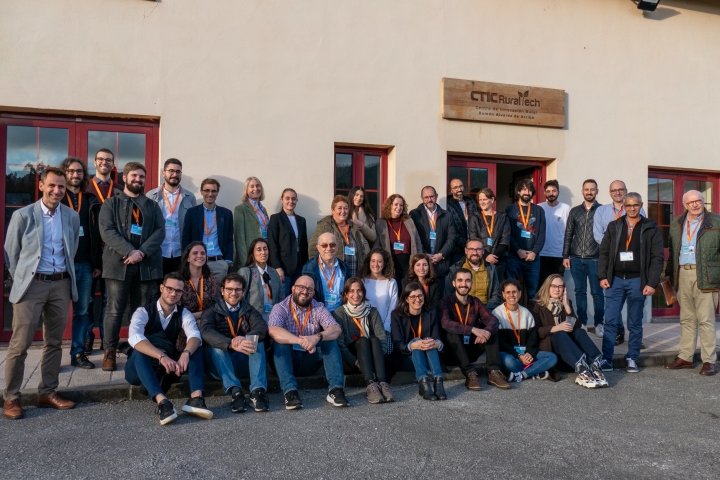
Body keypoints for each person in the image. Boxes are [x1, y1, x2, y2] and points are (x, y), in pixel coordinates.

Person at [3, 167, 80, 420]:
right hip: (31, 285)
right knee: (20, 344)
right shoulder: (23, 216)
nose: (57, 190)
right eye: (52, 185)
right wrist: (22, 278)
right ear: (41, 186)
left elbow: (72, 248)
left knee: (55, 342)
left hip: (60, 284)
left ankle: (47, 392)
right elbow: (11, 252)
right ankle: (12, 397)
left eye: (61, 186)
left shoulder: (71, 216)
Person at [99, 162, 165, 372]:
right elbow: (107, 231)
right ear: (125, 178)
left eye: (141, 177)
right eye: (134, 176)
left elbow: (160, 231)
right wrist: (130, 251)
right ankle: (109, 351)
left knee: (141, 311)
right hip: (118, 265)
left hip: (146, 266)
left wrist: (141, 252)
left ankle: (138, 350)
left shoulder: (152, 206)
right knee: (114, 310)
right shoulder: (111, 203)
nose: (138, 180)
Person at [124, 273, 211, 425]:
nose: (173, 293)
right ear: (161, 288)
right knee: (139, 350)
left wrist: (185, 353)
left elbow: (195, 335)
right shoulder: (143, 312)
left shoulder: (184, 313)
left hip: (167, 368)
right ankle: (163, 403)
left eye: (178, 291)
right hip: (140, 368)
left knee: (195, 348)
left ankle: (196, 398)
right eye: (169, 289)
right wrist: (161, 356)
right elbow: (134, 338)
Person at [598, 192, 663, 374]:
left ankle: (632, 357)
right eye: (628, 205)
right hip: (615, 281)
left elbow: (657, 258)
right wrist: (602, 276)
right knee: (610, 321)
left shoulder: (650, 227)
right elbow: (603, 253)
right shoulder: (614, 226)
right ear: (623, 207)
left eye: (635, 205)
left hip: (638, 281)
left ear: (641, 205)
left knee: (635, 322)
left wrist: (651, 283)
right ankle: (607, 358)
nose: (632, 208)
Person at [268, 275, 349, 410]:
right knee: (279, 343)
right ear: (293, 288)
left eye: (309, 289)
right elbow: (273, 330)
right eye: (301, 287)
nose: (305, 292)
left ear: (313, 293)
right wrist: (300, 341)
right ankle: (290, 392)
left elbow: (336, 329)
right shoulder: (280, 307)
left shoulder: (319, 307)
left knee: (330, 340)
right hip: (287, 360)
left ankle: (336, 390)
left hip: (309, 359)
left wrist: (316, 337)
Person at [664, 190, 720, 376]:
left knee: (706, 320)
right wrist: (668, 276)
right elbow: (672, 251)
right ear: (685, 205)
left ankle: (709, 361)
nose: (695, 205)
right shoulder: (676, 223)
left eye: (699, 201)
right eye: (691, 202)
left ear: (703, 202)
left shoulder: (716, 221)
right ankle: (686, 357)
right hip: (682, 275)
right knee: (686, 319)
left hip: (706, 275)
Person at [199, 273, 270, 413]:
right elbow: (206, 332)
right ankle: (235, 392)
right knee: (216, 347)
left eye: (238, 290)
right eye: (229, 289)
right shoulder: (211, 310)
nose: (233, 293)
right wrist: (231, 343)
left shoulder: (249, 309)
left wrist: (245, 338)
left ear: (243, 292)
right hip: (217, 367)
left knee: (256, 342)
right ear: (222, 290)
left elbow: (261, 327)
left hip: (241, 363)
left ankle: (257, 392)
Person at [529, 275, 608, 388]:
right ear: (547, 287)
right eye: (554, 286)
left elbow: (576, 325)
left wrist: (566, 307)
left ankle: (595, 366)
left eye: (560, 286)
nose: (557, 289)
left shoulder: (566, 303)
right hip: (551, 351)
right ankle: (582, 371)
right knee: (560, 334)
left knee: (580, 332)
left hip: (569, 353)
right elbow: (536, 332)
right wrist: (556, 328)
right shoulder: (535, 305)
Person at [593, 180, 647, 346]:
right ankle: (618, 333)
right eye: (614, 190)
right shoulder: (601, 211)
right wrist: (615, 247)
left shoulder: (637, 208)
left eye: (620, 189)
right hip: (612, 263)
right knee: (613, 303)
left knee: (635, 307)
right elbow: (597, 234)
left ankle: (635, 338)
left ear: (625, 190)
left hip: (634, 268)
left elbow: (643, 233)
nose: (617, 192)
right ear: (609, 193)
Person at [60, 157, 102, 369]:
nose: (75, 175)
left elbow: (97, 234)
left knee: (83, 311)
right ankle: (51, 356)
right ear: (64, 173)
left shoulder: (91, 200)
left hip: (85, 263)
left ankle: (77, 353)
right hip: (59, 264)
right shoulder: (57, 198)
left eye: (79, 172)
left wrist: (97, 263)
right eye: (71, 171)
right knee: (55, 311)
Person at [438, 269, 510, 391]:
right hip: (452, 352)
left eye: (467, 280)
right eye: (460, 280)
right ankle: (470, 374)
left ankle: (493, 371)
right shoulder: (445, 302)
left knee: (490, 331)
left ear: (471, 283)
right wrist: (473, 330)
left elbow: (493, 320)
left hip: (471, 349)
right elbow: (446, 323)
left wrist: (485, 332)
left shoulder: (475, 302)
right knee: (452, 333)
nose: (463, 284)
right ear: (454, 283)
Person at [85, 148, 122, 354]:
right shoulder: (86, 189)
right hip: (90, 253)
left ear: (113, 164)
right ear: (95, 162)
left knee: (109, 302)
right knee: (88, 300)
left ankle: (107, 342)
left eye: (108, 160)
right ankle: (87, 339)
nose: (104, 163)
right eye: (100, 159)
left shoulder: (119, 189)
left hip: (112, 254)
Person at [333, 278, 393, 404]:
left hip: (373, 360)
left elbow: (382, 339)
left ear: (364, 293)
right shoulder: (339, 313)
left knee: (375, 339)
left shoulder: (372, 311)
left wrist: (376, 360)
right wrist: (355, 361)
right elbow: (340, 345)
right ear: (346, 294)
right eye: (352, 291)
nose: (356, 295)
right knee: (363, 341)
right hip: (352, 361)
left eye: (359, 290)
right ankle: (370, 385)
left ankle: (382, 383)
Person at [562, 179, 604, 336]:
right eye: (586, 189)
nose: (589, 192)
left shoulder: (602, 210)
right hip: (576, 258)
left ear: (597, 191)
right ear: (582, 191)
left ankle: (600, 323)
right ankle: (583, 322)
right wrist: (565, 255)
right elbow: (568, 234)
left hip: (595, 258)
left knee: (597, 292)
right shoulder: (575, 211)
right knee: (580, 292)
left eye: (592, 189)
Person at [492, 279, 557, 383]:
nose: (511, 295)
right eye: (508, 292)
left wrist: (529, 353)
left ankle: (522, 374)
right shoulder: (497, 313)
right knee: (509, 362)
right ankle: (535, 371)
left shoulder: (526, 313)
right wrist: (518, 356)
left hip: (525, 352)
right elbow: (501, 342)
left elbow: (533, 338)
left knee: (552, 357)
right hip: (509, 353)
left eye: (514, 292)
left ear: (520, 293)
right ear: (503, 295)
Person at [391, 282, 446, 401]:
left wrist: (436, 344)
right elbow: (398, 344)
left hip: (430, 358)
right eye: (413, 297)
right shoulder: (396, 315)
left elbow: (437, 338)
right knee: (416, 341)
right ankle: (424, 382)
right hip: (408, 359)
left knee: (429, 341)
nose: (418, 299)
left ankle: (438, 382)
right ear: (406, 299)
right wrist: (412, 345)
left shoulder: (431, 312)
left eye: (420, 296)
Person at [148, 158, 197, 275]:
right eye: (171, 171)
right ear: (163, 173)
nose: (175, 174)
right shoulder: (151, 196)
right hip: (158, 252)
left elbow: (193, 226)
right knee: (157, 289)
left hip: (181, 253)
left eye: (178, 172)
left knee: (178, 289)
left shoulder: (189, 197)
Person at [182, 178, 234, 284]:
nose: (210, 194)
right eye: (207, 190)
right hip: (197, 261)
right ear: (201, 191)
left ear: (217, 193)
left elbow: (229, 239)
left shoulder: (226, 214)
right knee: (197, 294)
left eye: (213, 191)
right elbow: (186, 237)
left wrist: (227, 262)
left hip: (218, 262)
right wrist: (187, 259)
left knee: (218, 296)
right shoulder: (192, 213)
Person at [505, 179, 546, 300]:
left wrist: (534, 252)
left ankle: (533, 318)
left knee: (533, 293)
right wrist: (518, 250)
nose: (526, 192)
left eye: (529, 190)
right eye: (523, 189)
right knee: (511, 290)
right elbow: (507, 233)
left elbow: (542, 234)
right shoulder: (510, 209)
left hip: (533, 257)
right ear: (518, 191)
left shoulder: (539, 211)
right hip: (514, 256)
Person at [308, 195, 366, 277]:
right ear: (332, 210)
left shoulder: (353, 227)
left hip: (354, 276)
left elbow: (362, 252)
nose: (343, 211)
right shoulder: (325, 226)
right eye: (339, 208)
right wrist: (317, 270)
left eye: (346, 208)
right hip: (332, 276)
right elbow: (313, 249)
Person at [359, 248, 398, 361]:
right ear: (368, 262)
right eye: (373, 261)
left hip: (385, 328)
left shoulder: (391, 283)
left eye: (379, 261)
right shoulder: (362, 282)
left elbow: (393, 308)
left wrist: (385, 328)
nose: (376, 264)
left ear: (384, 263)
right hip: (365, 328)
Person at [268, 188, 309, 296]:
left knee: (298, 296)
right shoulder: (276, 218)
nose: (290, 201)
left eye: (293, 199)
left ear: (296, 201)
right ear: (282, 200)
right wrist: (277, 266)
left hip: (299, 266)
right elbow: (273, 244)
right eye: (287, 198)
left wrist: (306, 266)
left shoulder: (301, 220)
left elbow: (304, 244)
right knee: (284, 297)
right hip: (283, 266)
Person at [374, 193, 422, 284]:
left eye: (401, 205)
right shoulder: (381, 223)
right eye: (396, 204)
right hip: (390, 264)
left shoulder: (409, 221)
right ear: (390, 206)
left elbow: (417, 242)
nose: (399, 207)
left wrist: (419, 262)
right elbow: (377, 246)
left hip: (409, 265)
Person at [410, 186, 456, 279]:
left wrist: (441, 254)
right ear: (421, 198)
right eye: (426, 197)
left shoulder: (447, 215)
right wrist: (424, 254)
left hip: (442, 264)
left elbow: (452, 237)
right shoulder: (414, 215)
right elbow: (413, 238)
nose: (429, 200)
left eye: (431, 196)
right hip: (422, 263)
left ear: (436, 196)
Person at [445, 238, 502, 310]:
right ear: (466, 250)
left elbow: (496, 295)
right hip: (462, 311)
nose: (475, 253)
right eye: (471, 249)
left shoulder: (491, 270)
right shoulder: (455, 270)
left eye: (478, 249)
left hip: (486, 310)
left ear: (483, 251)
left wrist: (485, 312)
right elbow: (448, 295)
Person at [469, 188, 511, 282]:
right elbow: (474, 238)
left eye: (485, 199)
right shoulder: (474, 218)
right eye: (480, 200)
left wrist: (494, 257)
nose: (482, 202)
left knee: (496, 290)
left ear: (492, 200)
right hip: (481, 260)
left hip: (498, 261)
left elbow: (505, 240)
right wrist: (486, 256)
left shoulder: (503, 217)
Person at [239, 238, 284, 323]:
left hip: (273, 320)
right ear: (252, 253)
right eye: (259, 250)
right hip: (253, 321)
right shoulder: (245, 272)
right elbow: (240, 299)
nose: (263, 252)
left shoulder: (274, 273)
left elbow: (281, 298)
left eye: (265, 249)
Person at [301, 232, 349, 312]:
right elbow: (307, 296)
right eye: (324, 245)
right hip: (318, 314)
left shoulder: (344, 267)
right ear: (318, 248)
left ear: (337, 246)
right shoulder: (309, 269)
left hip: (341, 314)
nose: (329, 248)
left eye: (332, 245)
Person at [538, 180, 571, 286]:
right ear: (544, 193)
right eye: (548, 191)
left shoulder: (566, 209)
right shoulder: (539, 208)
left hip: (559, 254)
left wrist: (567, 254)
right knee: (543, 285)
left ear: (558, 193)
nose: (551, 193)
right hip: (542, 253)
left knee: (557, 285)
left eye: (554, 191)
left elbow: (570, 232)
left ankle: (557, 303)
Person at [234, 176, 270, 270]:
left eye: (258, 186)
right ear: (246, 190)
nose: (255, 189)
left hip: (264, 255)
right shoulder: (240, 209)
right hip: (251, 258)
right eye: (252, 186)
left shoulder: (263, 209)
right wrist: (246, 262)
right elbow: (240, 240)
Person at [177, 242, 219, 322]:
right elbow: (175, 310)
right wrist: (199, 316)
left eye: (202, 253)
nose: (199, 256)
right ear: (187, 258)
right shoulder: (178, 279)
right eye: (195, 253)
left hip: (207, 321)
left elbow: (216, 305)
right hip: (184, 322)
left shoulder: (210, 278)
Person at [447, 178, 480, 265]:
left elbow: (477, 222)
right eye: (456, 187)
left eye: (461, 186)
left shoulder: (470, 202)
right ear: (451, 190)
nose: (459, 189)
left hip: (473, 248)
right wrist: (465, 245)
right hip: (457, 249)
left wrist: (472, 245)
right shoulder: (447, 205)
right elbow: (451, 229)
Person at [348, 186, 378, 257]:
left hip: (364, 252)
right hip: (349, 251)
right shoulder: (345, 213)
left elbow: (373, 237)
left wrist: (360, 224)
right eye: (357, 195)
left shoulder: (369, 216)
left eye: (361, 196)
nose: (359, 198)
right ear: (352, 195)